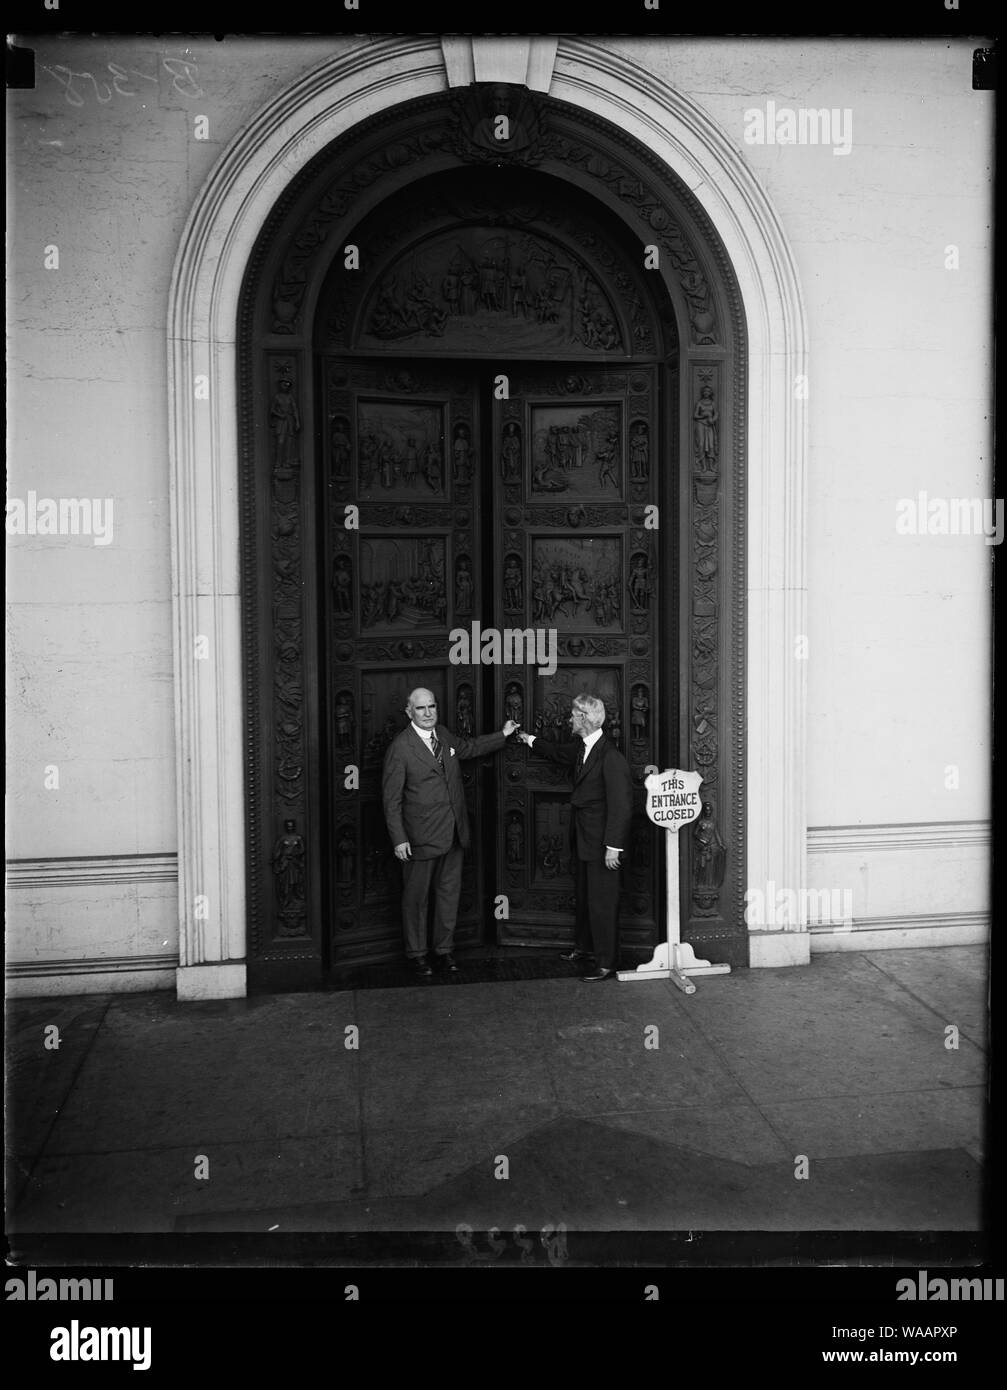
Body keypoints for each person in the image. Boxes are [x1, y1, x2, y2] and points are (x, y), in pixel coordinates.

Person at [382, 688, 519, 977]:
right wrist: (399, 839)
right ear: (409, 712)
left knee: (448, 896)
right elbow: (391, 800)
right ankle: (417, 955)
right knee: (416, 900)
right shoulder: (400, 748)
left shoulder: (442, 734)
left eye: (432, 706)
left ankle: (443, 951)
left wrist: (502, 735)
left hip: (454, 833)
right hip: (419, 838)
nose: (428, 713)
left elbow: (468, 748)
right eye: (421, 709)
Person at [517, 694, 632, 981]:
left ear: (584, 718)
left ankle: (606, 962)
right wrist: (528, 738)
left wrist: (613, 847)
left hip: (601, 844)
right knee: (584, 897)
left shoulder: (610, 757)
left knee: (602, 902)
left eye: (572, 715)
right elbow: (556, 753)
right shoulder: (583, 748)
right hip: (584, 840)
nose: (569, 719)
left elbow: (622, 805)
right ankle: (584, 948)